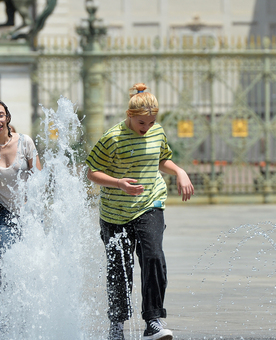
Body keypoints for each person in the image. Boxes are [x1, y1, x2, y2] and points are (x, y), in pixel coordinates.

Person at [86, 83, 194, 340]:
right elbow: (91, 172)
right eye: (142, 123)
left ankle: (153, 320)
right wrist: (119, 183)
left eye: (151, 122)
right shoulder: (112, 137)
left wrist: (179, 171)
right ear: (130, 115)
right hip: (115, 213)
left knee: (154, 256)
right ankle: (117, 324)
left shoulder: (157, 132)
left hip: (150, 204)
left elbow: (161, 159)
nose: (146, 128)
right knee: (119, 269)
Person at [0, 99, 42, 311]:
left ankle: (29, 312)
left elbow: (39, 180)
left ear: (8, 117)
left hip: (29, 213)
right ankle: (4, 318)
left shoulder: (25, 142)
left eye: (0, 115)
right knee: (5, 260)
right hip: (1, 214)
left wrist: (34, 211)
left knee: (32, 265)